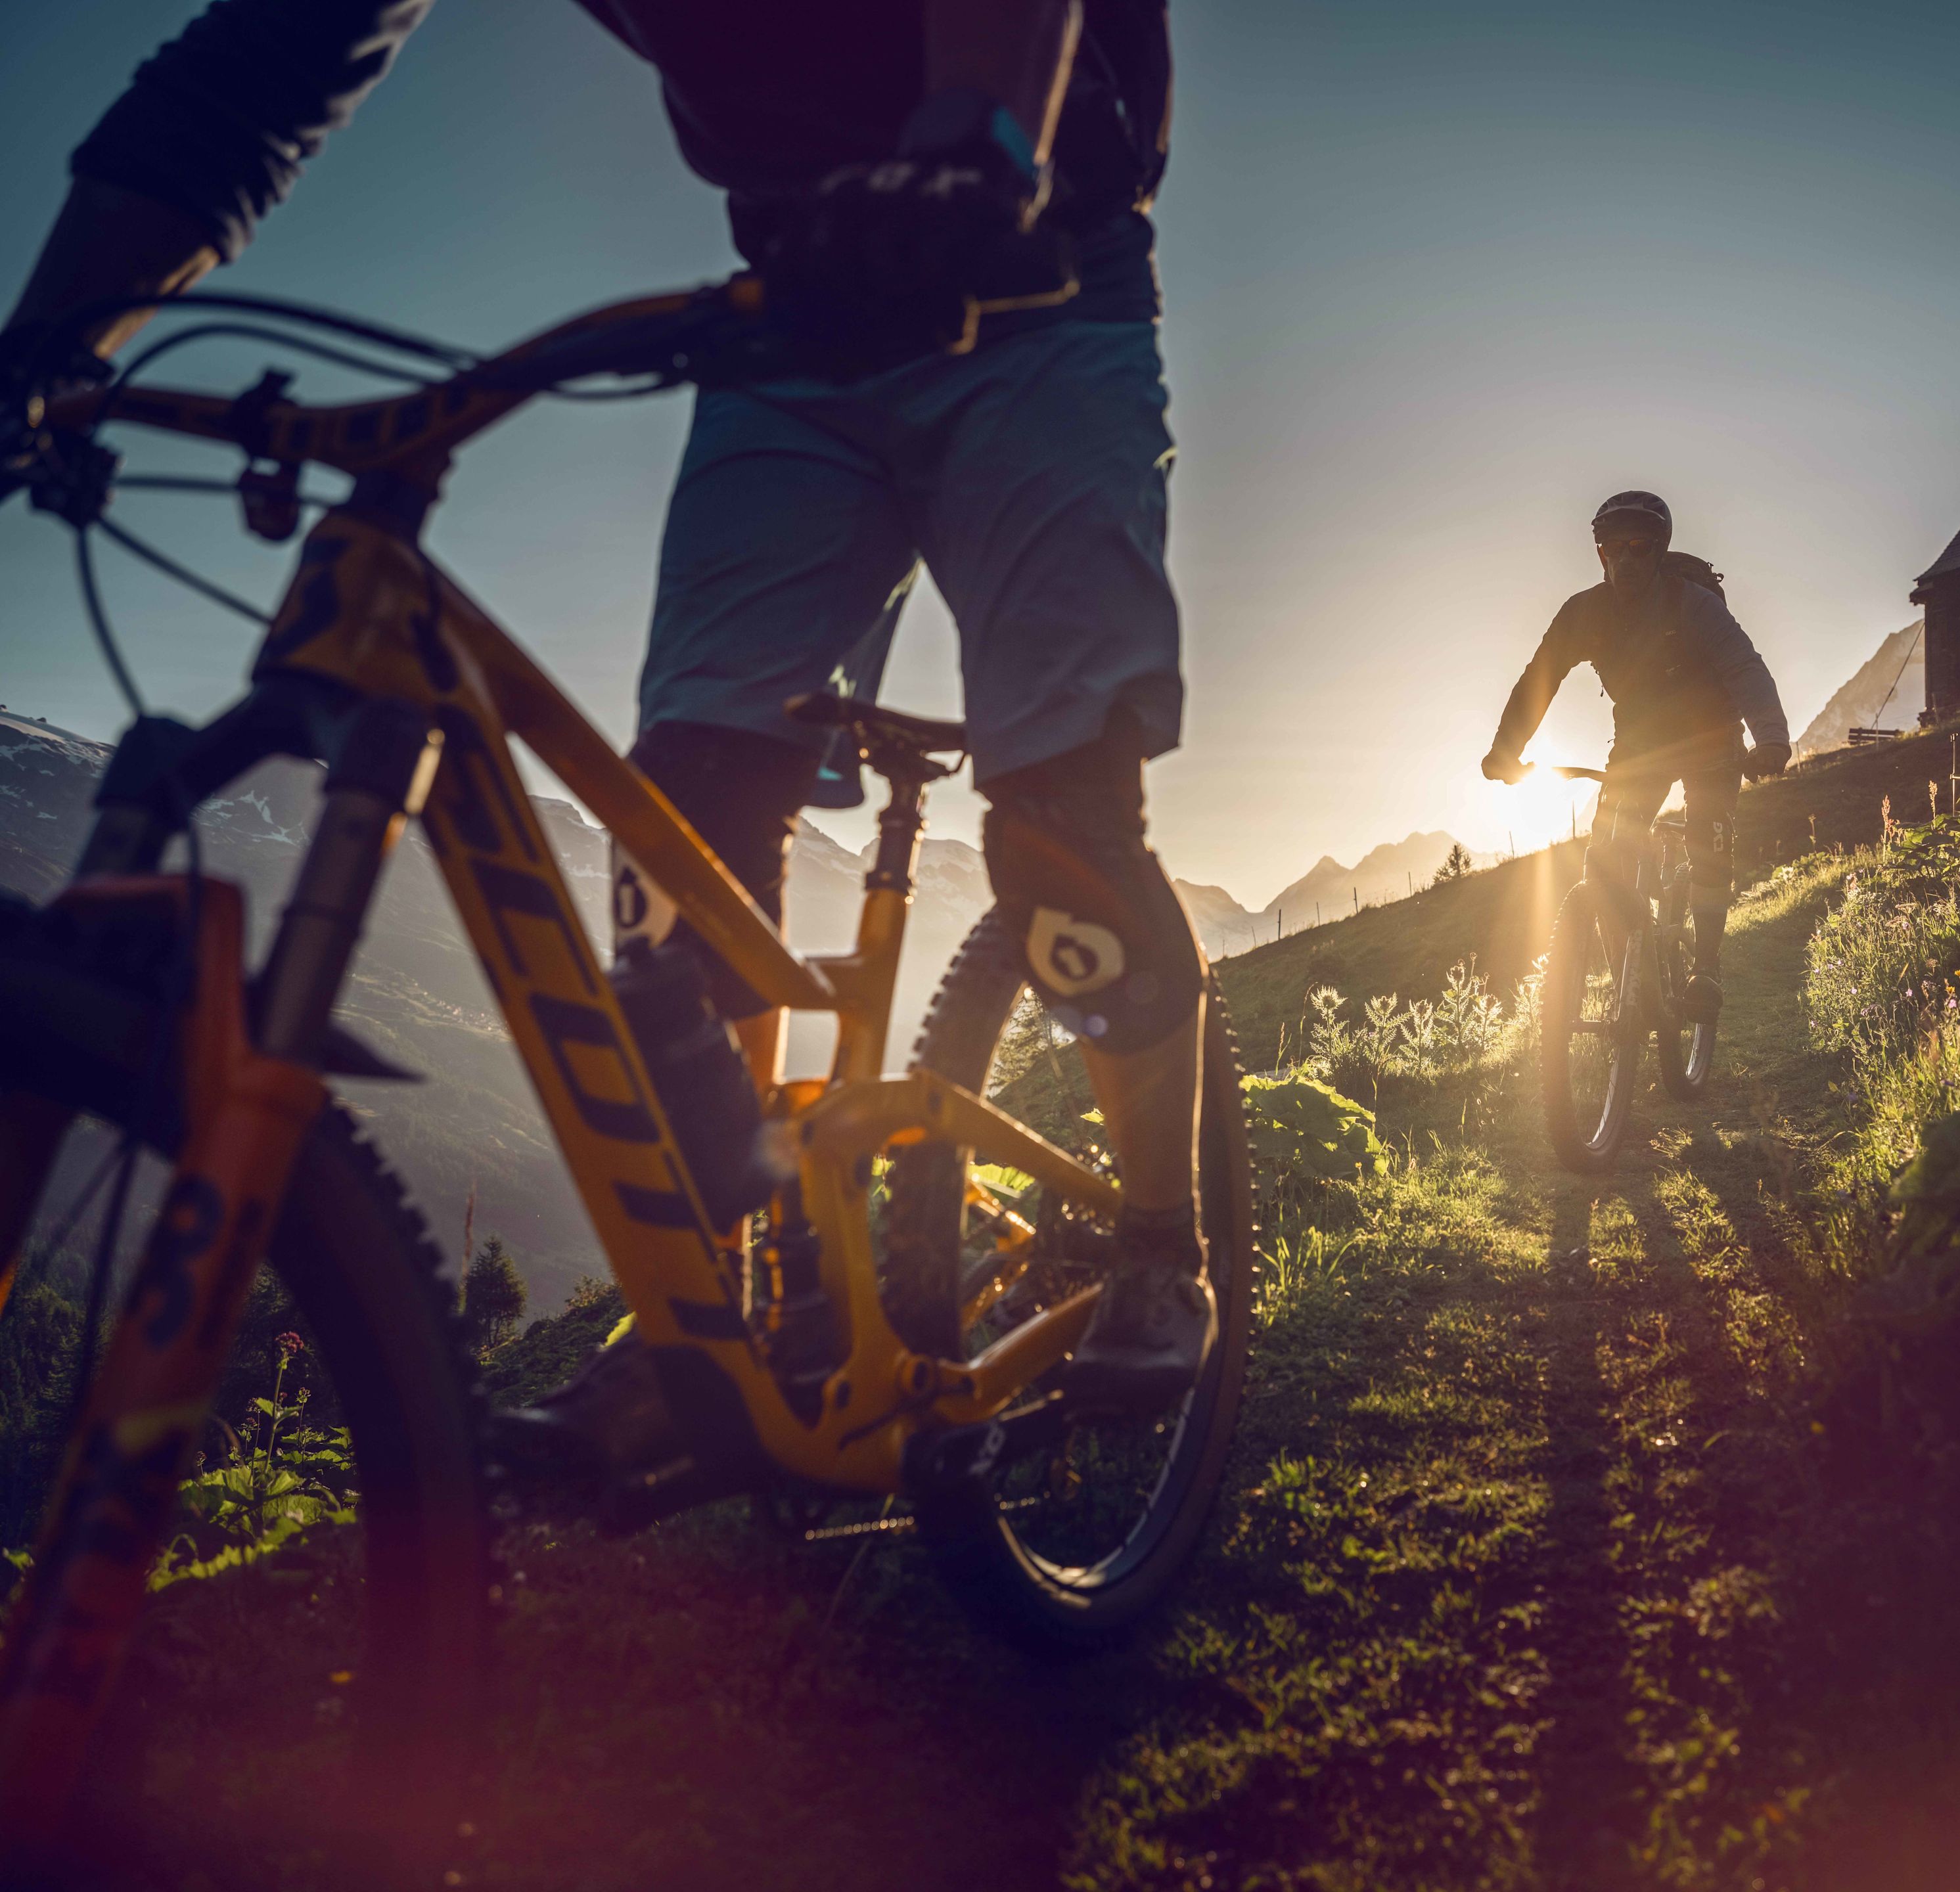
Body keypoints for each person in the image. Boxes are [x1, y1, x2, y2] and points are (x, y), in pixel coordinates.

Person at [1, 0, 1216, 1474]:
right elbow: (264, 61)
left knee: (1060, 836)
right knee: (678, 835)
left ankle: (1162, 1241)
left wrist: (980, 141)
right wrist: (48, 336)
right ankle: (724, 1315)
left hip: (1044, 272)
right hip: (795, 307)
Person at [1482, 491, 1792, 1020]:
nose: (1624, 560)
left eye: (1639, 548)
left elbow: (1745, 668)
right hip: (1641, 742)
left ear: (1659, 550)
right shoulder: (1584, 613)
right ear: (1600, 554)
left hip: (1710, 738)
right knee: (1603, 862)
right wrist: (1506, 751)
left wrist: (1771, 740)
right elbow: (1540, 678)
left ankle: (1706, 968)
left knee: (1710, 841)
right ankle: (1633, 986)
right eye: (1612, 549)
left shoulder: (1691, 604)